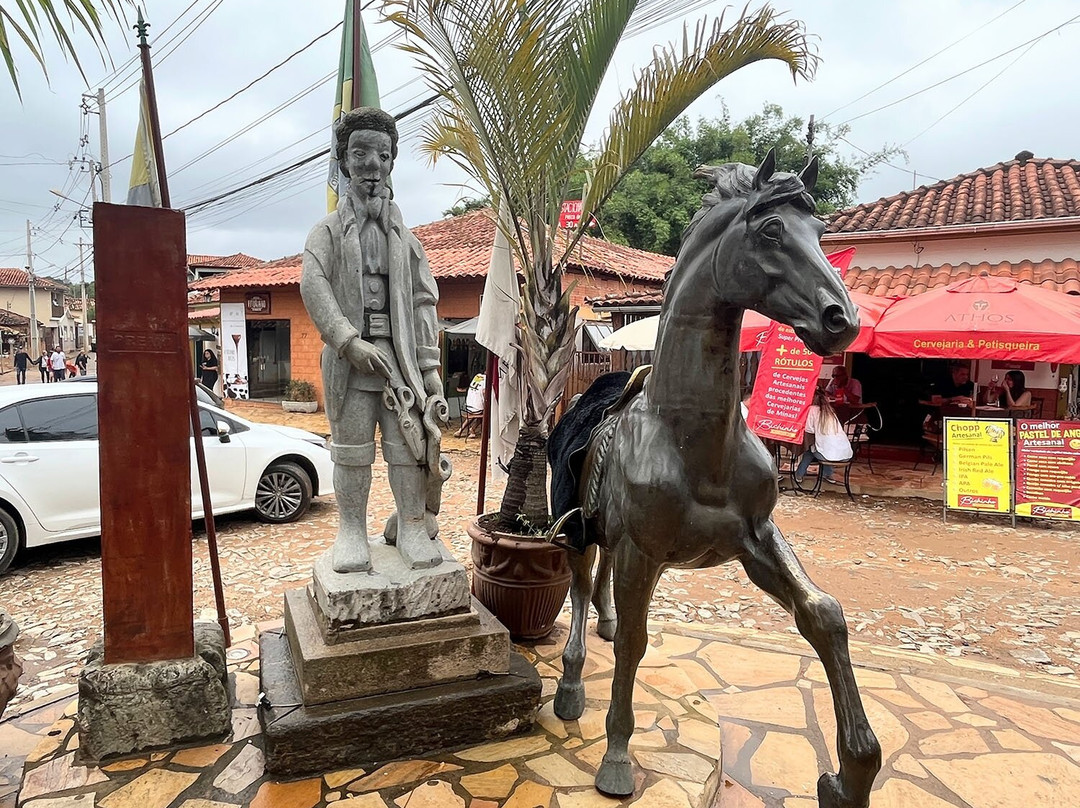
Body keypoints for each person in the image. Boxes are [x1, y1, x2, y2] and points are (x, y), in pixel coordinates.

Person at [301, 107, 448, 574]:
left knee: (408, 449)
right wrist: (347, 340)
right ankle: (350, 533)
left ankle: (409, 526)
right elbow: (313, 284)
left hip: (400, 360)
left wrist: (429, 369)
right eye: (360, 153)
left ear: (391, 163)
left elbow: (425, 301)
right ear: (343, 160)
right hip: (350, 362)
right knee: (352, 450)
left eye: (382, 155)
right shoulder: (325, 232)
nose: (372, 164)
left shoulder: (407, 239)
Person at [795, 388, 853, 486]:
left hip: (827, 456)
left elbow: (809, 430)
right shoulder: (830, 410)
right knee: (823, 448)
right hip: (846, 455)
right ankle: (828, 475)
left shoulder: (812, 409)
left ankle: (799, 475)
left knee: (810, 451)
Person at [455, 372, 485, 437]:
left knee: (472, 415)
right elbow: (484, 392)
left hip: (468, 406)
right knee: (485, 413)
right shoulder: (487, 379)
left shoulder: (477, 376)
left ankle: (460, 430)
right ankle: (473, 429)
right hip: (477, 409)